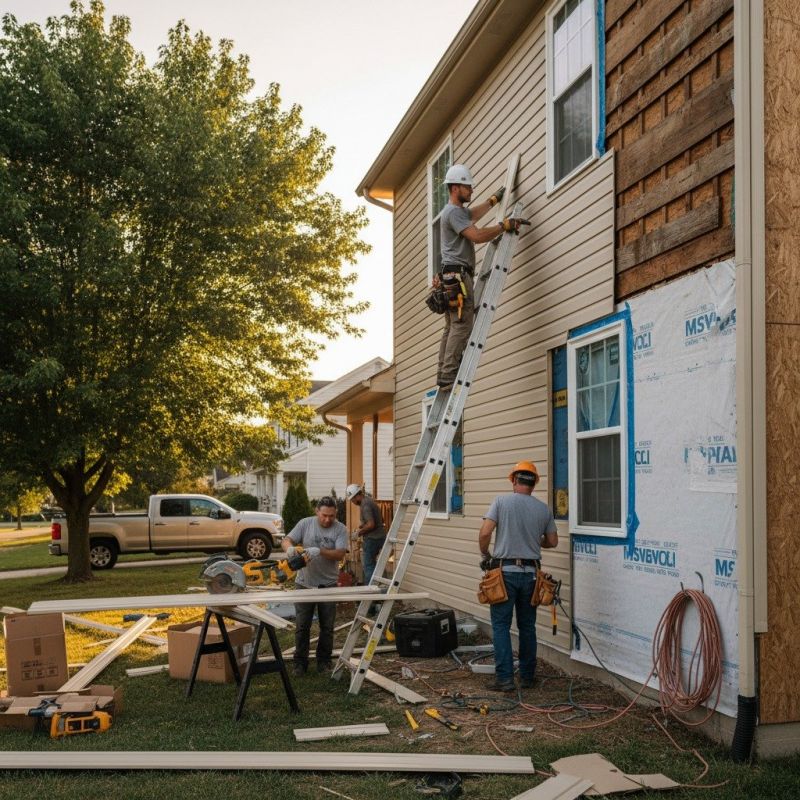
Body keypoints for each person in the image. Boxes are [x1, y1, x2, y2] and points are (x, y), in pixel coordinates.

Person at [436, 163, 525, 390]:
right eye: (468, 187)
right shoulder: (454, 213)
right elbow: (476, 236)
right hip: (458, 276)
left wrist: (493, 200)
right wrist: (503, 226)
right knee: (462, 326)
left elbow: (472, 214)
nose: (471, 190)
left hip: (451, 275)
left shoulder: (456, 212)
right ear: (456, 188)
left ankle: (443, 374)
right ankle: (448, 376)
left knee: (452, 326)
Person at [478, 460, 558, 692]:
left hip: (505, 574)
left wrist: (485, 553)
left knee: (501, 626)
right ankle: (527, 677)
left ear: (514, 480)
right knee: (527, 626)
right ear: (534, 484)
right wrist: (535, 541)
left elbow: (485, 532)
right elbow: (552, 541)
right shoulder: (543, 509)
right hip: (532, 575)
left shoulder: (501, 502)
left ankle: (504, 679)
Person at [282, 496, 348, 676]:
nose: (327, 519)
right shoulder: (305, 524)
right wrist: (289, 549)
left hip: (328, 585)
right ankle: (300, 664)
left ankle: (324, 662)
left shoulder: (341, 529)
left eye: (332, 516)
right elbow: (287, 539)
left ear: (336, 514)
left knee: (327, 627)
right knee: (302, 626)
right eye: (324, 515)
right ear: (317, 511)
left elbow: (340, 554)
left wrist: (319, 551)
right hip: (304, 584)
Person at [345, 483, 387, 585]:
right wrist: (363, 525)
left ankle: (370, 592)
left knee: (368, 566)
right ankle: (382, 587)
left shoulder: (365, 505)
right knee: (378, 565)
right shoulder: (370, 501)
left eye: (352, 500)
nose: (353, 502)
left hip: (372, 539)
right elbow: (380, 520)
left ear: (356, 496)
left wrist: (359, 532)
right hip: (381, 536)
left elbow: (371, 524)